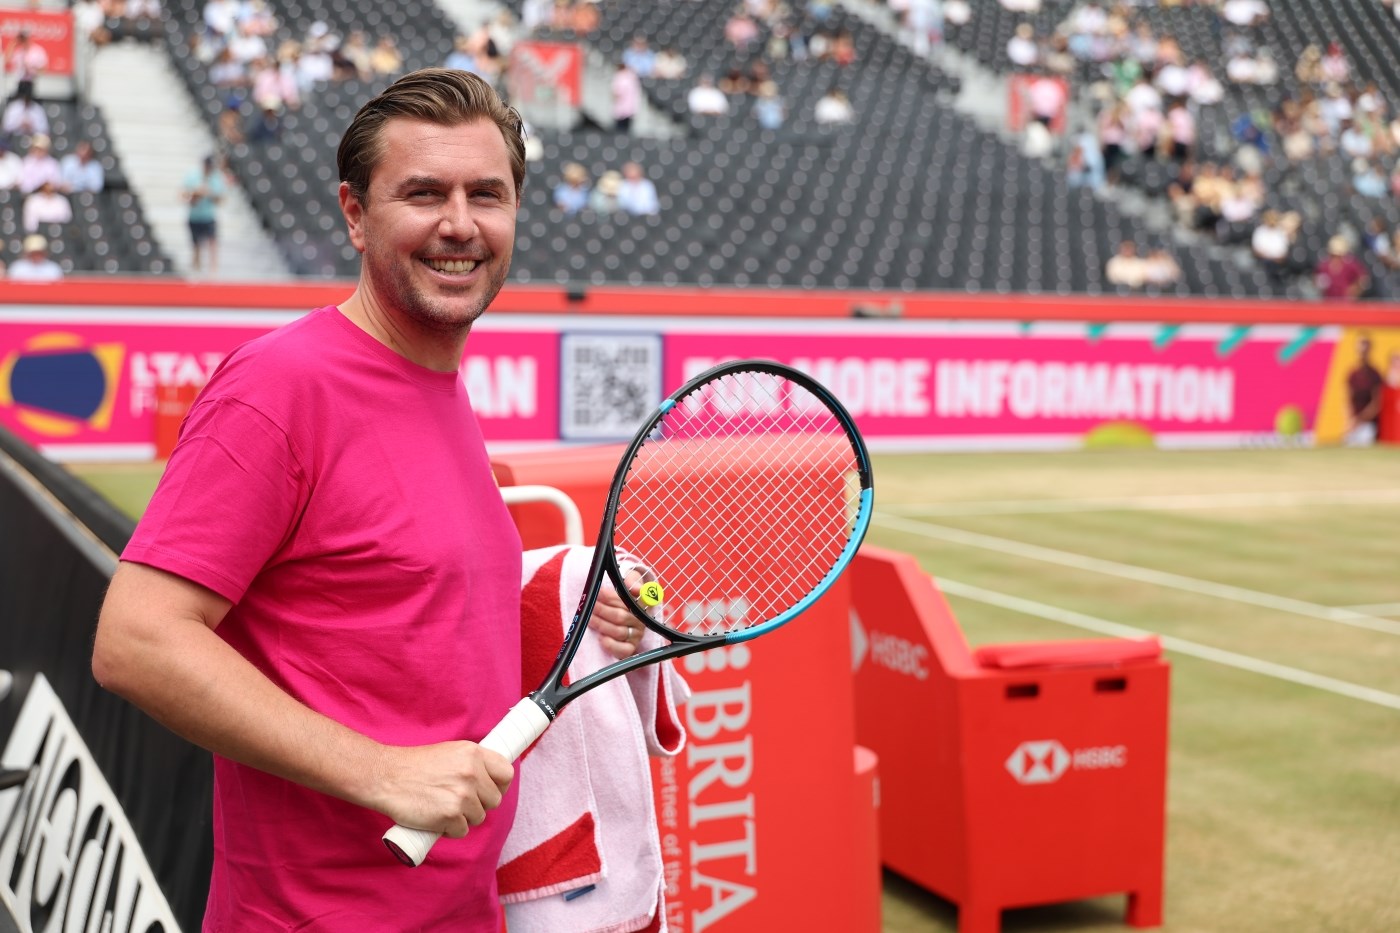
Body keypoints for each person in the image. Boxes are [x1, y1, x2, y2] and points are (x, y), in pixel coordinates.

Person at [91, 68, 648, 930]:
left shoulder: (445, 391)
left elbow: (395, 607)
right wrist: (383, 772)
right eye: (423, 193)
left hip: (467, 909)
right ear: (355, 215)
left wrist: (566, 598)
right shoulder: (281, 387)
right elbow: (135, 639)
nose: (459, 224)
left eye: (486, 195)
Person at [183, 153, 226, 275]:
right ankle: (196, 269)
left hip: (208, 216)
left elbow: (221, 199)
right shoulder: (193, 176)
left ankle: (213, 270)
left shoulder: (216, 178)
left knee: (212, 242)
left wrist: (209, 193)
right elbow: (184, 195)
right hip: (195, 216)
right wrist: (196, 194)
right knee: (196, 244)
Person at [1345, 336, 1384, 445]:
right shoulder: (1352, 374)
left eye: (1365, 350)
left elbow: (1376, 403)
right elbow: (1347, 400)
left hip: (1369, 424)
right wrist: (1350, 421)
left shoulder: (1375, 375)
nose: (1362, 353)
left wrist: (1360, 419)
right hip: (1353, 424)